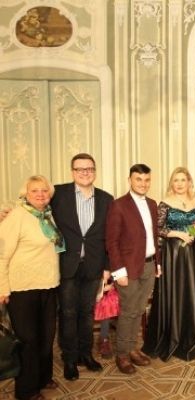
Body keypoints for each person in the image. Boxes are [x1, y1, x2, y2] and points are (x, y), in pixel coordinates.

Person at [0, 175, 64, 400]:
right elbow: (1, 254)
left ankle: (43, 377)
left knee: (46, 337)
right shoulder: (17, 216)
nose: (40, 194)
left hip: (49, 285)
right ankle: (26, 390)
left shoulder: (48, 215)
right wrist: (2, 288)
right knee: (28, 341)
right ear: (25, 194)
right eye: (34, 190)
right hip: (22, 289)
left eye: (44, 190)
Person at [50, 153, 113, 381]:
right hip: (67, 265)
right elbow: (32, 202)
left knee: (87, 313)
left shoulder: (106, 199)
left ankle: (86, 354)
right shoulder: (58, 194)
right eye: (80, 169)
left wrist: (107, 267)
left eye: (89, 169)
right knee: (68, 313)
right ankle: (69, 358)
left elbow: (109, 236)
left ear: (95, 171)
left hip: (94, 266)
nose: (85, 173)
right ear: (72, 172)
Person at [142, 167, 195, 361]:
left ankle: (191, 334)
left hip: (193, 255)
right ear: (172, 183)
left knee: (191, 293)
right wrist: (179, 234)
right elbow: (158, 229)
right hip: (173, 255)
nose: (179, 184)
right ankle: (173, 337)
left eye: (183, 180)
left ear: (189, 183)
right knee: (176, 292)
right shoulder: (165, 203)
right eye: (176, 180)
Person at [106, 164, 161, 374]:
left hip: (149, 266)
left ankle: (132, 349)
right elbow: (112, 242)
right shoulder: (118, 205)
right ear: (130, 180)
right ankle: (122, 354)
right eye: (138, 179)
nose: (143, 184)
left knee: (139, 310)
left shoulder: (153, 204)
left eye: (147, 180)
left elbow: (153, 237)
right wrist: (118, 271)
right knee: (128, 311)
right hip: (127, 269)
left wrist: (157, 263)